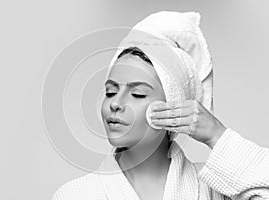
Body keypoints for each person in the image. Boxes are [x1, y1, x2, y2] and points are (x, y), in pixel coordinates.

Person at [52, 11, 269, 200]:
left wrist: (216, 135)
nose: (116, 103)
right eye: (110, 91)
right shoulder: (75, 195)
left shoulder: (215, 190)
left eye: (137, 94)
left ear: (174, 108)